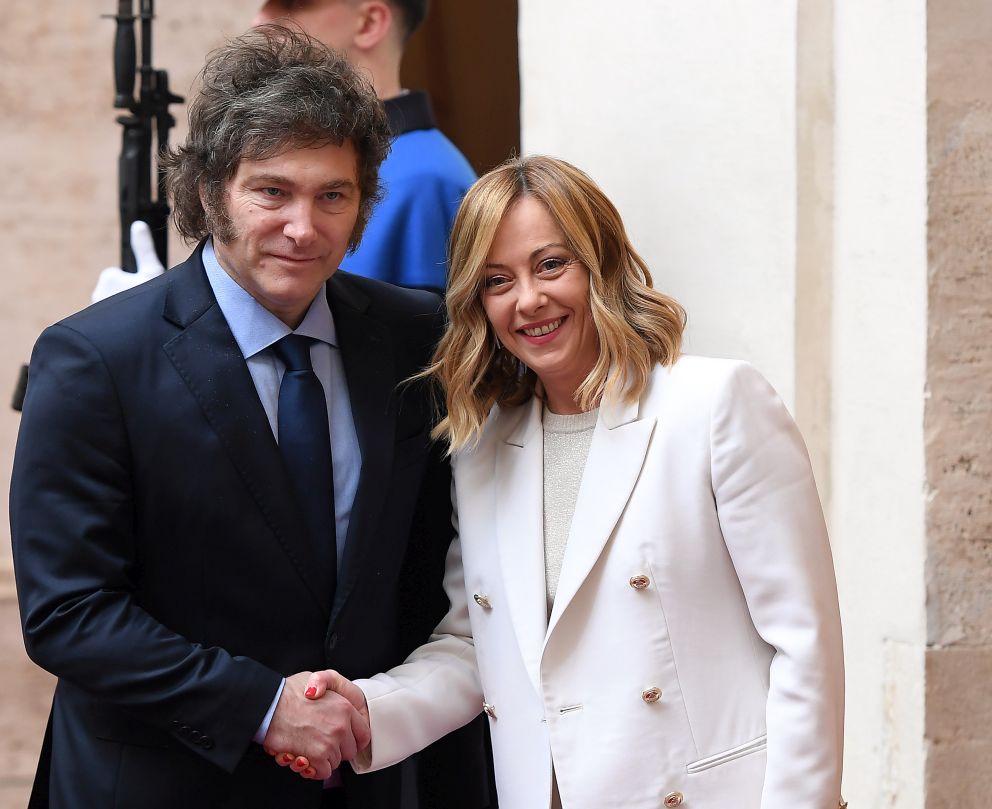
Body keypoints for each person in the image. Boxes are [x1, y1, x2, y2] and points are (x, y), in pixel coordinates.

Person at [10, 25, 490, 808]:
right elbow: (69, 611)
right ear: (209, 192)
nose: (304, 227)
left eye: (332, 195)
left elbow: (430, 573)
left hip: (359, 785)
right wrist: (263, 707)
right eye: (272, 192)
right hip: (160, 787)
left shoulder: (415, 338)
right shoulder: (94, 359)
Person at [276, 155, 848, 808]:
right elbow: (476, 645)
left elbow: (803, 644)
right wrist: (364, 710)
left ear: (601, 264)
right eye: (497, 280)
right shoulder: (485, 446)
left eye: (551, 265)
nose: (529, 300)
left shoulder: (715, 403)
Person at [94, 1, 475, 303]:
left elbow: (421, 352)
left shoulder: (427, 177)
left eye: (292, 4)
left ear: (369, 22)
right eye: (274, 190)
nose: (261, 20)